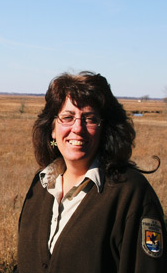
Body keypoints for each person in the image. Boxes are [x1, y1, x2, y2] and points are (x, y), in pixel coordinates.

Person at [16, 71, 166, 272]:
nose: (77, 128)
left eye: (89, 118)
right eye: (67, 117)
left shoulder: (131, 194)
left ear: (105, 129)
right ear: (52, 129)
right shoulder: (41, 185)